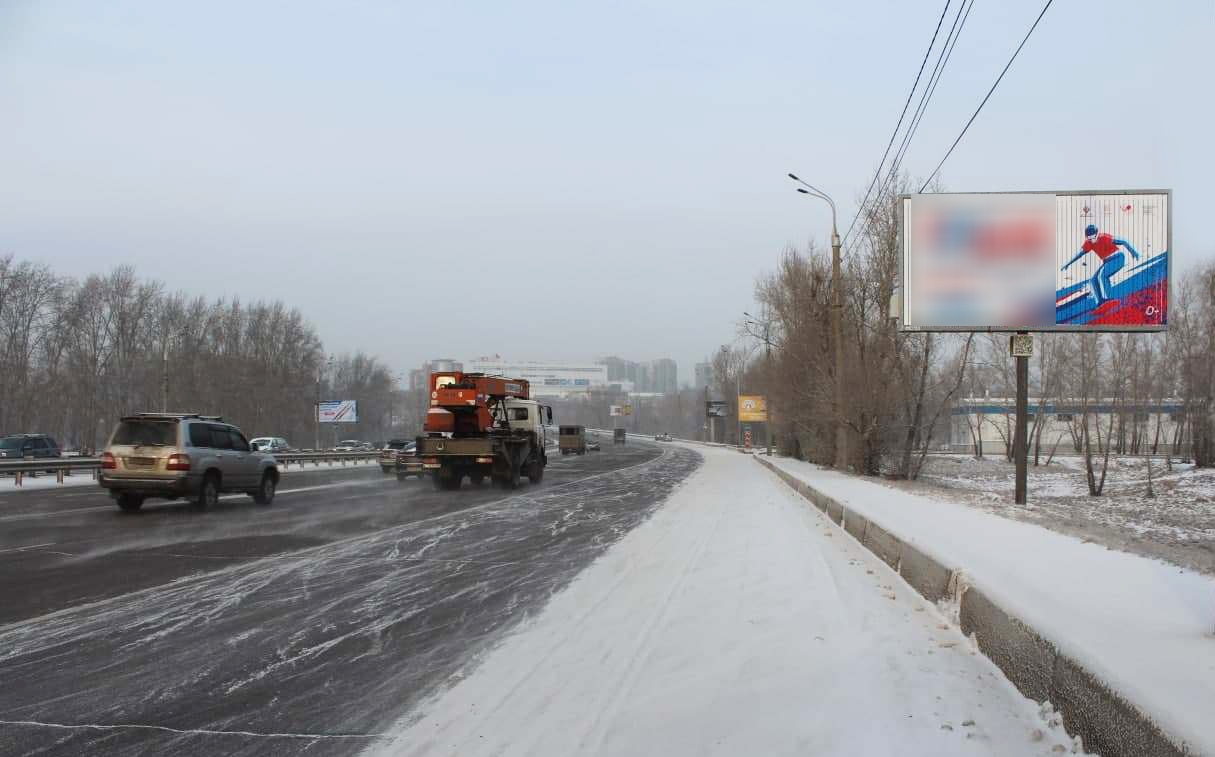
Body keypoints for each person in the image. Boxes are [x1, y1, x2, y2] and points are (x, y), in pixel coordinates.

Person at [1060, 224, 1140, 308]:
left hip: (1118, 258)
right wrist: (1067, 264)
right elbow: (1079, 254)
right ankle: (1099, 302)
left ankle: (1107, 299)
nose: (1093, 241)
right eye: (1090, 239)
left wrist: (1134, 252)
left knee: (1102, 275)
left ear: (1097, 234)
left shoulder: (1104, 237)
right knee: (1093, 280)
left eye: (1094, 238)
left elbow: (1123, 241)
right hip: (1107, 262)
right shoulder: (1088, 243)